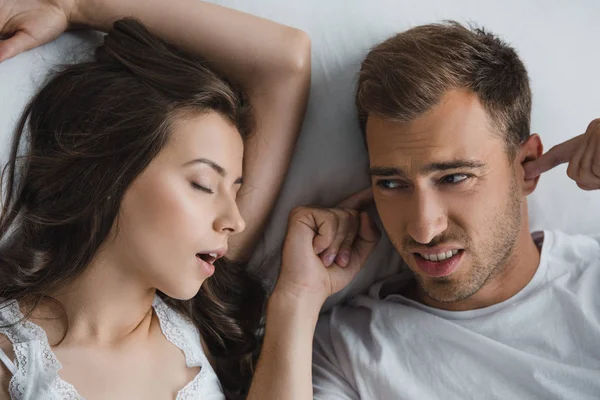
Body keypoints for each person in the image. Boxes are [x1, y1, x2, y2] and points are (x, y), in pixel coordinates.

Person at [250, 22, 600, 399]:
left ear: (526, 165)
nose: (423, 229)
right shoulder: (346, 354)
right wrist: (295, 298)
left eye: (453, 178)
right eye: (392, 184)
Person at [0, 0, 310, 398]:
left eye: (237, 188)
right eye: (202, 184)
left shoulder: (203, 320)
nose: (236, 220)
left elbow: (287, 61)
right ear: (111, 172)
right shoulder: (13, 364)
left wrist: (76, 6)